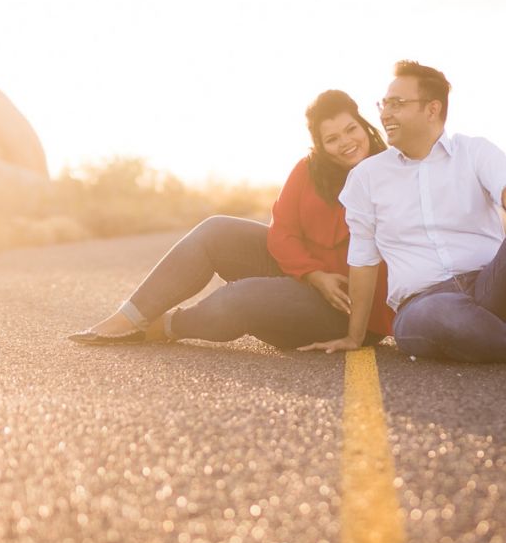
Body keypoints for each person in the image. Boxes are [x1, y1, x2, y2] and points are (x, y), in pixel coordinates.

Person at [301, 61, 506, 373]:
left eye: (397, 104)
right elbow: (363, 259)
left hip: (491, 289)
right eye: (384, 104)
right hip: (422, 307)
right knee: (442, 313)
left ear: (431, 110)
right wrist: (355, 336)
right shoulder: (366, 177)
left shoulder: (475, 151)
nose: (384, 114)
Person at [69, 91, 393, 349]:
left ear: (364, 125)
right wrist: (313, 274)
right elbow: (281, 232)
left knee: (240, 296)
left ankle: (165, 327)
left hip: (348, 309)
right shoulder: (307, 170)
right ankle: (129, 318)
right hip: (305, 276)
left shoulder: (393, 172)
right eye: (332, 138)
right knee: (216, 229)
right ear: (320, 146)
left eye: (351, 129)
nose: (346, 142)